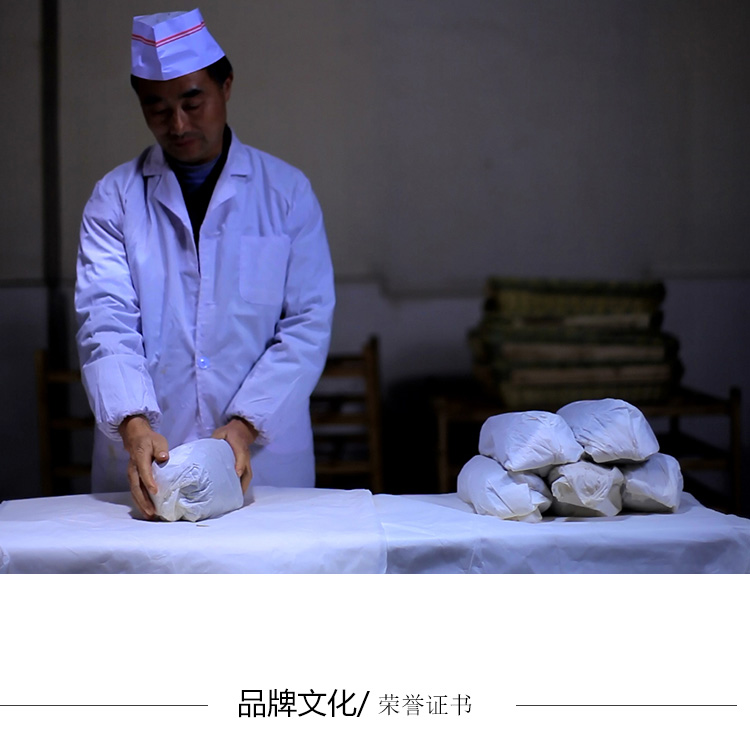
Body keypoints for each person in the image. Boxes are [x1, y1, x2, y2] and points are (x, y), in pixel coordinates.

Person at [75, 9, 335, 518]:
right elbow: (105, 319)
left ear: (226, 86)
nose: (178, 125)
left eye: (193, 103)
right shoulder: (115, 199)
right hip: (150, 458)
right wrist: (134, 425)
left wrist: (244, 425)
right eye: (157, 108)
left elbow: (307, 323)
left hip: (264, 463)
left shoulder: (286, 193)